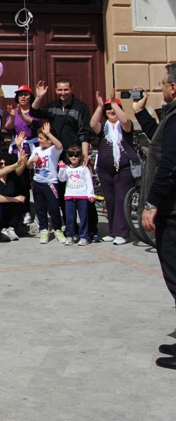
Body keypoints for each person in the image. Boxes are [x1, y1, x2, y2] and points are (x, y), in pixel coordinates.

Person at [131, 68, 176, 370]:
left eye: (162, 84)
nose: (160, 89)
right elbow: (161, 144)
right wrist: (141, 112)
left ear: (174, 86)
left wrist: (151, 203)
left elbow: (169, 165)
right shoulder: (170, 118)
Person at [91, 93, 137, 245]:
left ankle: (122, 233)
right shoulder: (103, 127)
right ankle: (112, 231)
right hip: (105, 170)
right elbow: (92, 124)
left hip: (123, 169)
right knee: (109, 200)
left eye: (114, 108)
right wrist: (99, 107)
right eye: (108, 109)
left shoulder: (125, 126)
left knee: (122, 199)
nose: (111, 111)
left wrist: (114, 103)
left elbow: (124, 119)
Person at [30, 122, 65, 244]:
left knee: (54, 207)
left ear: (49, 140)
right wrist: (32, 161)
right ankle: (44, 230)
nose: (39, 140)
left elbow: (60, 145)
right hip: (37, 182)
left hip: (50, 182)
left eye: (41, 138)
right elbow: (29, 165)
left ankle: (57, 229)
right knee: (40, 208)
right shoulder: (36, 149)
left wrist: (48, 133)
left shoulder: (53, 150)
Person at [58, 146, 95, 246]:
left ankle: (83, 236)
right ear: (68, 156)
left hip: (82, 196)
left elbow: (88, 181)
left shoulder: (84, 168)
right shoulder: (66, 168)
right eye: (71, 155)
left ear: (80, 157)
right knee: (70, 218)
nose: (73, 157)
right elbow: (61, 179)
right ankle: (69, 235)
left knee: (83, 217)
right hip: (69, 196)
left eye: (76, 155)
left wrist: (90, 194)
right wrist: (61, 168)